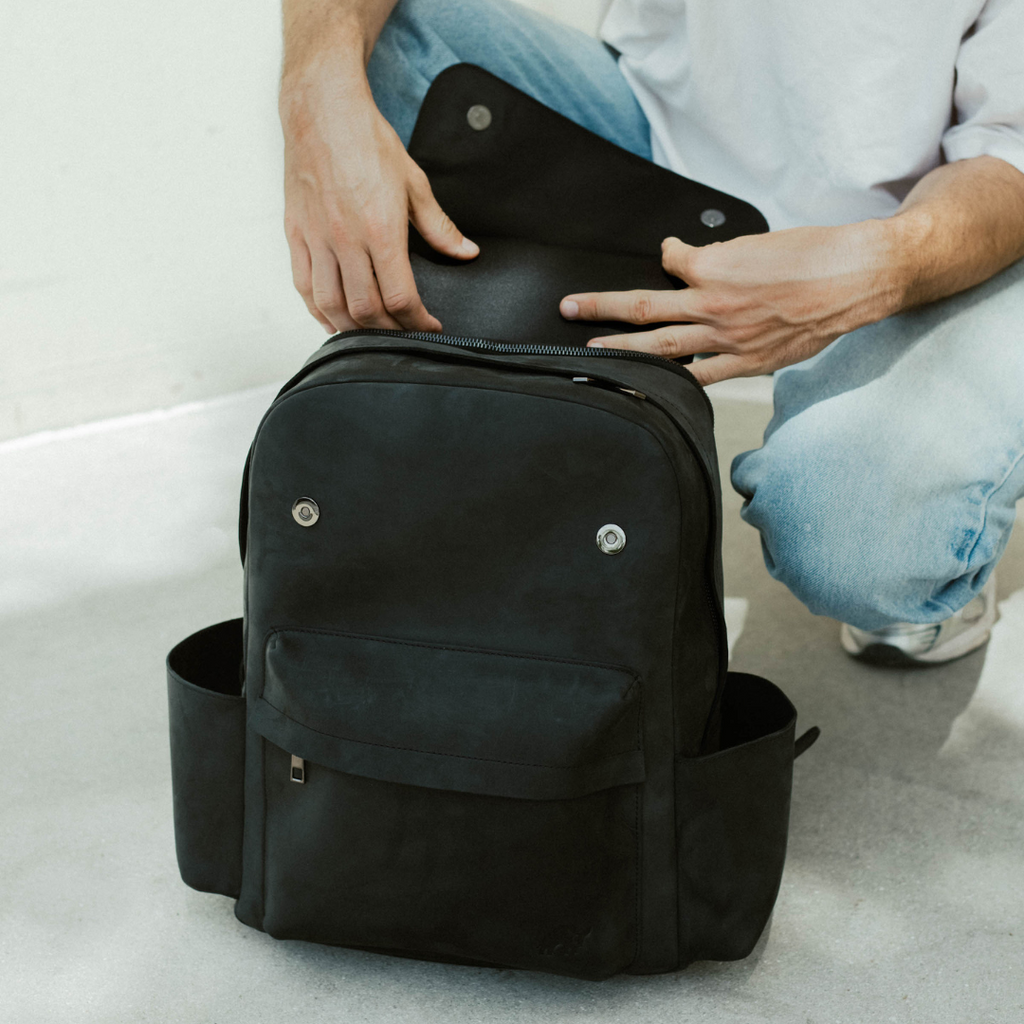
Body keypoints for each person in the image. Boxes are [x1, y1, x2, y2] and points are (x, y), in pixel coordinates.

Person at [277, 0, 1024, 665]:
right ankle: (540, 447)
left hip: (935, 229)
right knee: (378, 38)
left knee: (863, 545)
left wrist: (873, 270)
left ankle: (940, 535)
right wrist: (317, 103)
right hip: (663, 143)